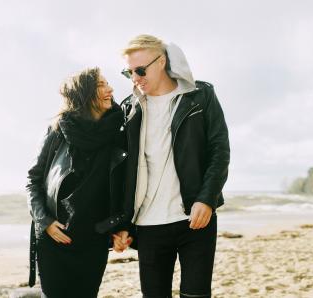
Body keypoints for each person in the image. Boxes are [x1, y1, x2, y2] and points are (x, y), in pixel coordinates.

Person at [113, 34, 230, 298]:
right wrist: (120, 223)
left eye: (140, 70)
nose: (135, 78)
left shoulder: (200, 96)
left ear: (162, 61)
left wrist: (206, 199)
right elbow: (120, 172)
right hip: (148, 224)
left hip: (195, 218)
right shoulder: (129, 109)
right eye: (128, 72)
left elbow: (219, 150)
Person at [26, 67, 130, 298]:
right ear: (84, 94)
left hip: (93, 239)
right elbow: (33, 180)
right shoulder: (58, 131)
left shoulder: (118, 132)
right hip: (55, 238)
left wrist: (121, 227)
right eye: (101, 85)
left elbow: (123, 186)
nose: (110, 89)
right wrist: (46, 222)